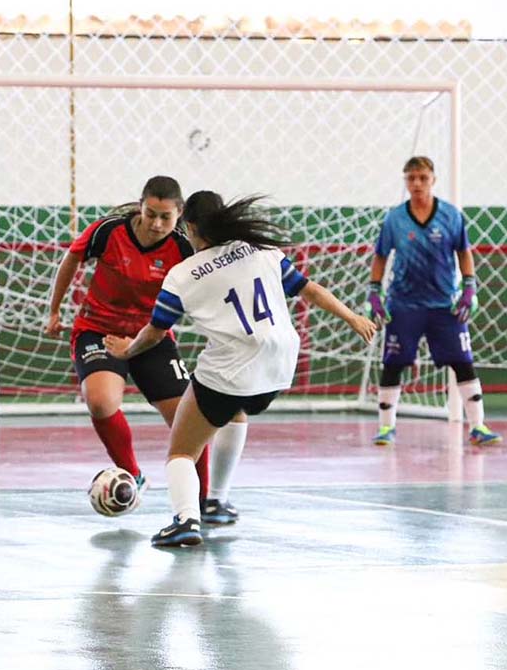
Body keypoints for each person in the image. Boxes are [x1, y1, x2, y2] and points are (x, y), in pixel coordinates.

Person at [105, 191, 375, 547]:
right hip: (279, 368)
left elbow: (155, 333)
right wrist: (353, 317)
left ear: (190, 227)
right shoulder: (263, 251)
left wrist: (127, 350)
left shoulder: (183, 274)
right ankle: (217, 500)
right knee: (235, 409)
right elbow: (310, 290)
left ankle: (186, 520)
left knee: (181, 451)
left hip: (232, 369)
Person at [47, 176, 244, 522]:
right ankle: (132, 475)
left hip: (151, 337)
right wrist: (54, 309)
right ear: (140, 205)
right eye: (150, 213)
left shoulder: (185, 249)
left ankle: (202, 502)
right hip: (99, 331)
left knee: (190, 422)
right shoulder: (107, 232)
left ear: (179, 215)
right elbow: (71, 260)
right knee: (101, 401)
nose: (156, 224)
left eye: (165, 217)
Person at [367, 156, 501, 447]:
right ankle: (386, 428)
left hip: (444, 304)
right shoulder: (395, 219)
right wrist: (374, 291)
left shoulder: (451, 216)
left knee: (463, 362)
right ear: (405, 181)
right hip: (404, 304)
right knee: (393, 363)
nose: (416, 183)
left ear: (433, 180)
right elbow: (380, 255)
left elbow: (464, 252)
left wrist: (469, 287)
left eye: (422, 178)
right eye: (411, 178)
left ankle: (478, 426)